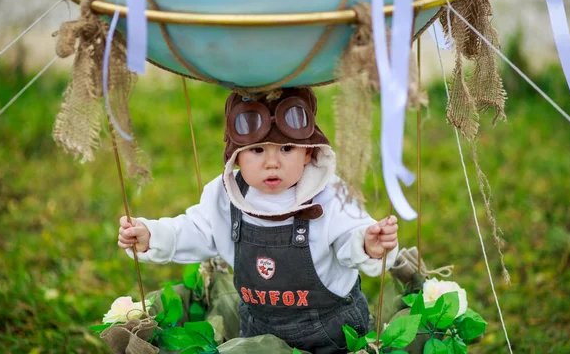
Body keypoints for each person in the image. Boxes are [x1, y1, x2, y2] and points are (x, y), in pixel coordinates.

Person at [117, 87, 399, 354]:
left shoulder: (330, 194)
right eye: (258, 150)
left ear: (308, 152)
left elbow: (349, 235)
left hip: (331, 333)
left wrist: (367, 244)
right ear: (236, 156)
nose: (272, 162)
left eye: (287, 148)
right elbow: (194, 230)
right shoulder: (226, 196)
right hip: (258, 329)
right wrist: (152, 236)